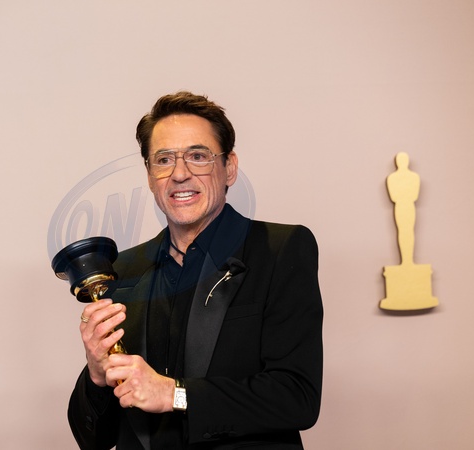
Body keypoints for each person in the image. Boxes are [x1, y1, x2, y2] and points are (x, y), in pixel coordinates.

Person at [68, 92, 323, 449]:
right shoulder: (122, 270)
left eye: (198, 156)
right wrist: (97, 375)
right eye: (164, 160)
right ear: (150, 175)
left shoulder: (279, 250)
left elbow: (297, 397)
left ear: (229, 167)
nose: (179, 174)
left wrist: (175, 394)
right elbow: (93, 439)